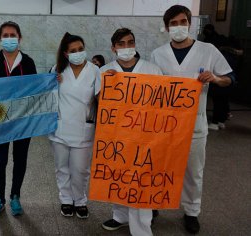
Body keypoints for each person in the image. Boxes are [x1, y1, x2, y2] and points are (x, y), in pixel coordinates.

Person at [150, 5, 234, 234]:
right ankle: (154, 204)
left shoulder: (208, 50)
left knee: (193, 171)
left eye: (182, 22)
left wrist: (215, 78)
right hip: (164, 125)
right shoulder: (158, 54)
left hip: (195, 124)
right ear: (166, 27)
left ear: (190, 23)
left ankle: (191, 212)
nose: (178, 27)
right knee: (160, 167)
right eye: (173, 23)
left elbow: (229, 79)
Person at [99, 28, 162, 236]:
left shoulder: (152, 70)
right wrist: (105, 84)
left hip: (144, 136)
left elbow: (162, 102)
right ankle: (120, 216)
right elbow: (97, 103)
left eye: (130, 42)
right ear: (113, 48)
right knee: (118, 177)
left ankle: (143, 228)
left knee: (140, 180)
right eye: (121, 44)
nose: (126, 47)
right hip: (115, 136)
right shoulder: (105, 71)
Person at [0, 21, 37, 220]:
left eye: (13, 35)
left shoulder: (28, 62)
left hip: (22, 122)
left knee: (20, 159)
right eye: (6, 35)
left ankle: (15, 196)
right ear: (0, 38)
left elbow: (35, 91)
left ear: (19, 38)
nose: (10, 38)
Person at [49, 32, 101, 219]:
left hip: (83, 129)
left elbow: (102, 98)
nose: (78, 53)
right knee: (62, 167)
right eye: (73, 50)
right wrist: (52, 84)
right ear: (65, 53)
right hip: (60, 128)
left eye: (81, 49)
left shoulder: (95, 70)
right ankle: (66, 200)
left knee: (80, 169)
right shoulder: (57, 70)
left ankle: (80, 200)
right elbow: (47, 96)